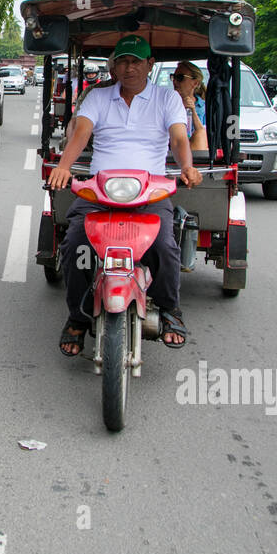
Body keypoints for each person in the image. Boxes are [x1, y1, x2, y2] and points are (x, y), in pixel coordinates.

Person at [45, 35, 203, 356]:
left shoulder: (167, 99)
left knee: (164, 246)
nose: (129, 68)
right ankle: (76, 317)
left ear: (150, 64)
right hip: (101, 190)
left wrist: (187, 166)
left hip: (150, 191)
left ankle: (171, 309)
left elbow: (178, 138)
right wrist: (63, 167)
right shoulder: (99, 98)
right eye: (123, 61)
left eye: (136, 61)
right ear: (114, 66)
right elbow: (81, 132)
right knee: (75, 244)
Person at [172, 60, 209, 152]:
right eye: (173, 77)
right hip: (172, 151)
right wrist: (179, 108)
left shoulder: (205, 107)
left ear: (195, 83)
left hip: (197, 153)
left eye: (180, 78)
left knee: (200, 134)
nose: (175, 81)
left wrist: (193, 112)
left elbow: (204, 135)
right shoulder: (168, 104)